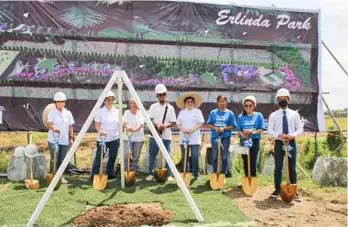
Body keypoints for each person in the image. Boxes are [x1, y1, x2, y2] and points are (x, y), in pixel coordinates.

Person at [267, 88, 303, 202]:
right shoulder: (273, 115)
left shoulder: (294, 114)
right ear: (277, 100)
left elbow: (300, 129)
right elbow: (270, 130)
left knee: (292, 167)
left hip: (291, 142)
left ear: (288, 99)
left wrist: (292, 135)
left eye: (285, 98)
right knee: (278, 167)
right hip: (279, 143)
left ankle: (294, 190)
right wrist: (279, 135)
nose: (283, 100)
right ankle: (277, 190)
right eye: (280, 98)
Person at [146, 84, 176, 181]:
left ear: (166, 95)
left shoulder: (170, 108)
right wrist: (157, 125)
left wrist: (165, 126)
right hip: (155, 135)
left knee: (168, 155)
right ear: (157, 96)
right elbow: (149, 119)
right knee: (152, 155)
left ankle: (169, 174)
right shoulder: (153, 107)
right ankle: (151, 173)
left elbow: (173, 122)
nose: (162, 96)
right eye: (160, 95)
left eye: (164, 94)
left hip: (166, 135)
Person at [91, 91, 120, 182]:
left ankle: (110, 174)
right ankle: (94, 175)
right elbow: (97, 125)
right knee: (99, 157)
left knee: (112, 157)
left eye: (112, 100)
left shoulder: (117, 111)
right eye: (108, 100)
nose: (110, 101)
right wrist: (101, 131)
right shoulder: (100, 112)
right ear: (104, 101)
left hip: (115, 138)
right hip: (102, 140)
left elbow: (120, 124)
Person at [47, 92, 75, 184]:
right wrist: (54, 128)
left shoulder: (68, 113)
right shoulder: (52, 113)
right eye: (58, 101)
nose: (60, 103)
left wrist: (71, 138)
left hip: (64, 140)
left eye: (62, 101)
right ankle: (52, 176)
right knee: (55, 158)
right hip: (53, 140)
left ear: (64, 102)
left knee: (62, 159)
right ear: (55, 102)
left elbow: (71, 126)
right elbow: (49, 124)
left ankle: (60, 176)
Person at [206, 95, 236, 179]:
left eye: (223, 101)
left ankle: (223, 173)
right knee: (215, 155)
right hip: (215, 137)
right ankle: (215, 172)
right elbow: (208, 124)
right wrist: (215, 128)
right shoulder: (213, 112)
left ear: (226, 102)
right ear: (217, 102)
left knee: (224, 156)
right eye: (220, 101)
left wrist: (224, 128)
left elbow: (233, 126)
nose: (222, 103)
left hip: (225, 137)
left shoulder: (230, 113)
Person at [176, 92, 204, 180]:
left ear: (193, 102)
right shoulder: (182, 112)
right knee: (185, 157)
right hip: (184, 138)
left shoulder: (197, 111)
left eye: (191, 101)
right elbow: (178, 123)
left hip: (195, 138)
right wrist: (183, 130)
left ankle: (196, 174)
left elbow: (201, 123)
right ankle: (186, 172)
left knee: (195, 156)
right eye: (188, 101)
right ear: (185, 103)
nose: (189, 103)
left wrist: (193, 129)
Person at [236, 95, 266, 179]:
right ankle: (246, 178)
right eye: (246, 105)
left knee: (252, 161)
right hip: (243, 142)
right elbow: (238, 129)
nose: (248, 107)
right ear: (244, 106)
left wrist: (252, 132)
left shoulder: (258, 115)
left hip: (254, 141)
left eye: (250, 105)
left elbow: (262, 128)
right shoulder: (240, 116)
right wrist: (243, 136)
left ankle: (253, 179)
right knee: (245, 161)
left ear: (254, 106)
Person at [123, 98, 145, 173]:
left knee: (136, 157)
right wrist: (127, 127)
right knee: (125, 156)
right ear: (130, 104)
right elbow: (124, 122)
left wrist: (134, 129)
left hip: (138, 139)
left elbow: (140, 123)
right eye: (132, 103)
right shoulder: (126, 112)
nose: (134, 105)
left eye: (135, 103)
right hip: (126, 138)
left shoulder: (141, 113)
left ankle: (134, 172)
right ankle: (125, 172)